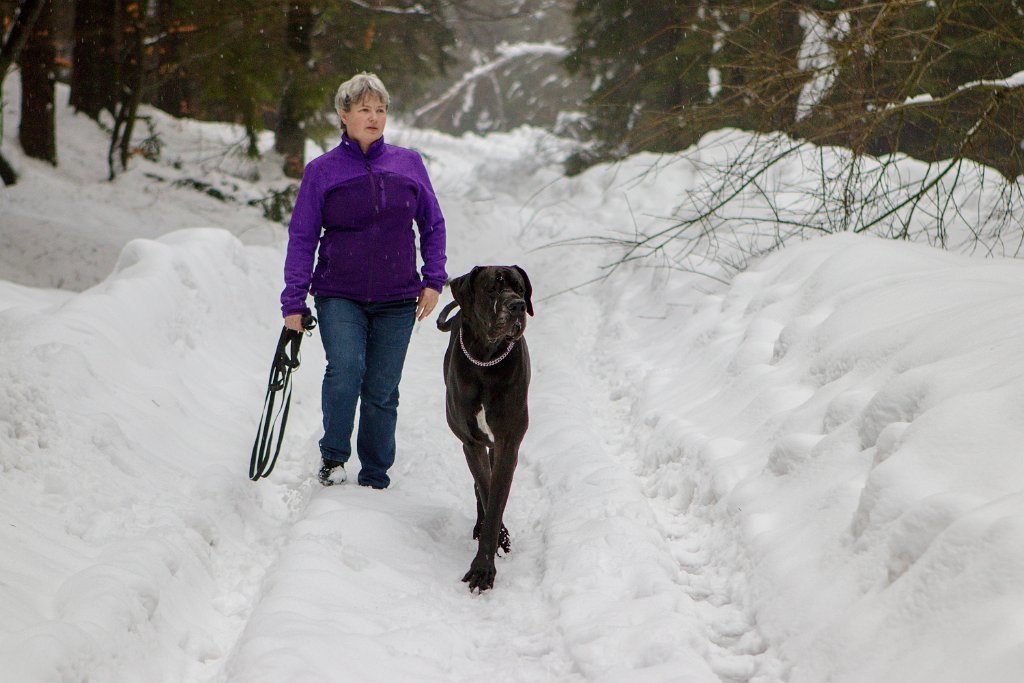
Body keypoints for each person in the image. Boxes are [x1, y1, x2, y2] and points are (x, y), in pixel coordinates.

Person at [280, 72, 447, 489]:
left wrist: (433, 279)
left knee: (382, 388)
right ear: (343, 115)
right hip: (340, 294)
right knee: (345, 369)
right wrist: (293, 301)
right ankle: (334, 456)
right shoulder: (323, 171)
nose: (374, 117)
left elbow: (433, 225)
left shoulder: (408, 164)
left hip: (397, 297)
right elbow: (302, 237)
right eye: (364, 109)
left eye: (381, 109)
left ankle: (375, 473)